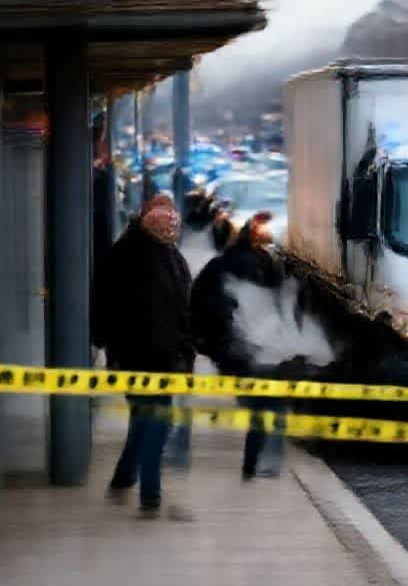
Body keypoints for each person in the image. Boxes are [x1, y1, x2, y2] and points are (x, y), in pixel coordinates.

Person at [92, 194, 195, 518]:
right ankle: (150, 493)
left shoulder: (159, 253)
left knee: (142, 420)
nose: (171, 230)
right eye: (167, 225)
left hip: (153, 354)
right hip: (147, 355)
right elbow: (104, 303)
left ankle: (123, 479)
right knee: (156, 423)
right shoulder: (137, 255)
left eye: (173, 225)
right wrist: (105, 342)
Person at [190, 212, 287, 478]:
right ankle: (262, 462)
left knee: (258, 405)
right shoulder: (263, 264)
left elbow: (198, 303)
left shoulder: (219, 265)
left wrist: (208, 343)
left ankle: (253, 463)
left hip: (237, 346)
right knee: (271, 405)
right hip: (257, 344)